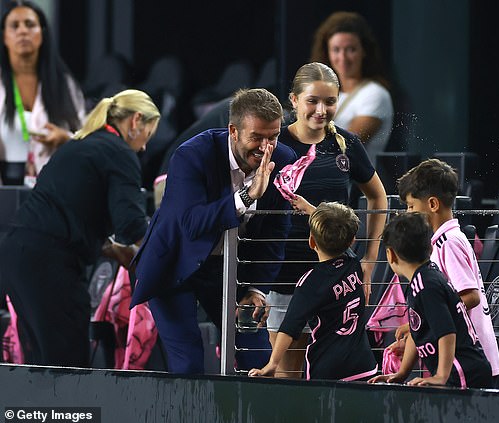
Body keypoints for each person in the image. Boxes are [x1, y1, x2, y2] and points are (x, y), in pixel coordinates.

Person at [129, 88, 297, 375]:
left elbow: (276, 230)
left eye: (273, 137)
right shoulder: (192, 154)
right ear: (233, 130)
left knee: (256, 357)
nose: (266, 147)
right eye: (256, 137)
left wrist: (256, 289)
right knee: (189, 362)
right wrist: (246, 196)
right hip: (175, 264)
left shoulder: (283, 158)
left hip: (228, 268)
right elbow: (191, 224)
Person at [0, 89, 159, 366]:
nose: (144, 147)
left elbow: (72, 212)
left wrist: (110, 249)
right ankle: (70, 412)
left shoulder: (80, 145)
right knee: (67, 366)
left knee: (39, 362)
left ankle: (40, 411)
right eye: (148, 134)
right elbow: (131, 226)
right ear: (135, 121)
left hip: (17, 255)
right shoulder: (119, 152)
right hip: (49, 266)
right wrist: (168, 247)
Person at [266, 62, 387, 378]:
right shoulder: (274, 143)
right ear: (293, 100)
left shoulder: (345, 143)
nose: (321, 110)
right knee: (287, 371)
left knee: (333, 370)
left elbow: (378, 197)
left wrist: (370, 263)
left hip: (337, 277)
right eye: (312, 101)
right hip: (284, 276)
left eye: (330, 101)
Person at [393, 158, 499, 378]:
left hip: (471, 358)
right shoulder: (443, 241)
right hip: (464, 357)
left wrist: (431, 319)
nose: (407, 213)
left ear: (432, 204)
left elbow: (470, 296)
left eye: (411, 206)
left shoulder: (449, 243)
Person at [249, 202, 377, 380]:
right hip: (364, 365)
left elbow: (290, 326)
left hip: (327, 369)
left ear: (311, 242)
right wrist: (310, 209)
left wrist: (273, 363)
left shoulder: (311, 282)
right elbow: (342, 237)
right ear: (352, 241)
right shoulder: (353, 263)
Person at [369, 212, 492, 388]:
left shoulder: (426, 286)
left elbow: (447, 332)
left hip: (462, 371)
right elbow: (416, 331)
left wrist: (441, 375)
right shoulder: (423, 278)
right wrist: (401, 373)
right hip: (460, 370)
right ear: (430, 247)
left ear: (390, 255)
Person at [0, 0, 85, 186]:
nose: (22, 31)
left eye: (30, 25)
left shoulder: (64, 84)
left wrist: (66, 139)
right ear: (4, 37)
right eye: (14, 26)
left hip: (56, 185)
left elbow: (85, 137)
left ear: (42, 33)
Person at [310, 11, 393, 165]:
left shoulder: (375, 94)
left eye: (351, 49)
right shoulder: (327, 94)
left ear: (364, 51)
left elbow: (344, 145)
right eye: (336, 50)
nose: (343, 58)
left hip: (355, 187)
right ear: (327, 53)